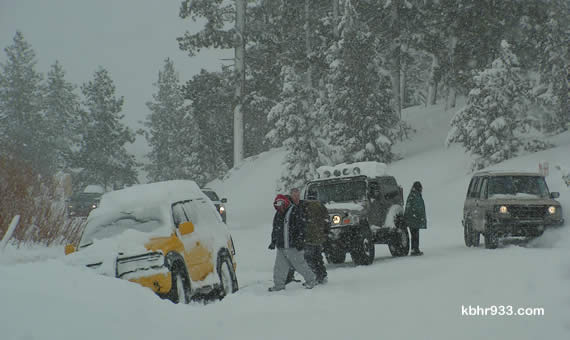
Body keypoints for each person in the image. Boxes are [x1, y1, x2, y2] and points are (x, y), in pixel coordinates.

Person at [268, 194, 317, 291]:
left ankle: (311, 280)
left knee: (300, 265)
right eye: (276, 204)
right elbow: (275, 229)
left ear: (285, 202)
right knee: (279, 268)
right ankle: (279, 285)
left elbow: (301, 228)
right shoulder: (278, 214)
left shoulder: (294, 211)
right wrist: (273, 241)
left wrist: (300, 240)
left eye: (280, 203)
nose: (279, 206)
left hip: (293, 246)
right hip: (281, 247)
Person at [302, 199, 329, 284]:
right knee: (318, 258)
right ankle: (322, 276)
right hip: (319, 237)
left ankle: (313, 277)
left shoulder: (304, 206)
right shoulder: (321, 205)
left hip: (309, 237)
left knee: (309, 259)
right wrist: (325, 232)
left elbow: (301, 221)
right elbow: (327, 220)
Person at [404, 181, 426, 256]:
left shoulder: (414, 195)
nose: (421, 189)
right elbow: (413, 207)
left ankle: (415, 249)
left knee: (415, 234)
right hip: (413, 219)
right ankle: (414, 249)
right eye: (420, 187)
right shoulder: (414, 196)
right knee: (415, 234)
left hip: (414, 218)